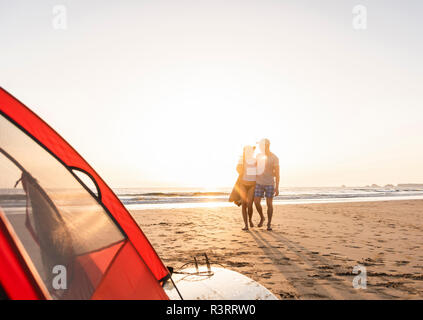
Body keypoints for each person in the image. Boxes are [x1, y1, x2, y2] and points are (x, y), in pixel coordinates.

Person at [254, 139, 279, 231]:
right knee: (256, 202)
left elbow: (277, 173)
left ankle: (269, 223)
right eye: (260, 146)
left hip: (269, 183)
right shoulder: (258, 156)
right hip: (259, 182)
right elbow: (254, 167)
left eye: (262, 145)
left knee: (269, 204)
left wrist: (277, 187)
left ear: (267, 146)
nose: (260, 147)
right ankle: (262, 217)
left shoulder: (274, 158)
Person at [236, 145, 257, 231]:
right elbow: (238, 169)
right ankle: (246, 225)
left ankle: (250, 219)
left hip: (252, 184)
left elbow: (258, 171)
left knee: (249, 205)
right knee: (244, 204)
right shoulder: (242, 159)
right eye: (246, 151)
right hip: (243, 184)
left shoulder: (255, 160)